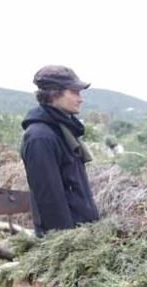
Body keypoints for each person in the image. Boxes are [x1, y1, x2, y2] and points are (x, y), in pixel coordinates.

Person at [20, 65, 100, 236]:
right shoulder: (40, 137)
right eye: (75, 92)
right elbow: (49, 200)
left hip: (80, 233)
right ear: (55, 94)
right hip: (65, 240)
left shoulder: (63, 131)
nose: (80, 99)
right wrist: (65, 244)